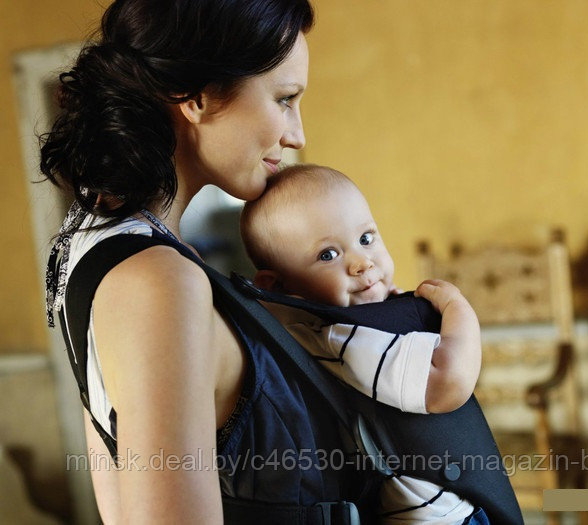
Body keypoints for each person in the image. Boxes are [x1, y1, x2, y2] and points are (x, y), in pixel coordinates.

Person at [39, 1, 388, 523]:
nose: (298, 135)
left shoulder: (90, 248)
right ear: (197, 96)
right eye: (285, 99)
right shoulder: (157, 277)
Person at [240, 164, 487, 524]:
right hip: (438, 515)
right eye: (328, 254)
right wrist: (458, 310)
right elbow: (446, 385)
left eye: (367, 238)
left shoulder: (323, 329)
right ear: (276, 286)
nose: (361, 262)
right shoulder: (341, 338)